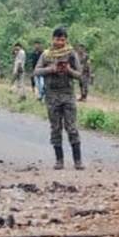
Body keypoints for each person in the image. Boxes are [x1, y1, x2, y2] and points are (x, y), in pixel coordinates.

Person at [33, 27, 83, 170]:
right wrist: (51, 69)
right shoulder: (46, 54)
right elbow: (36, 71)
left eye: (62, 39)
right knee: (55, 128)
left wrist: (68, 70)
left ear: (66, 40)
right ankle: (59, 160)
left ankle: (77, 161)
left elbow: (79, 75)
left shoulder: (71, 53)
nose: (60, 42)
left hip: (67, 94)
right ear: (52, 39)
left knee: (72, 127)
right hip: (52, 96)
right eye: (57, 39)